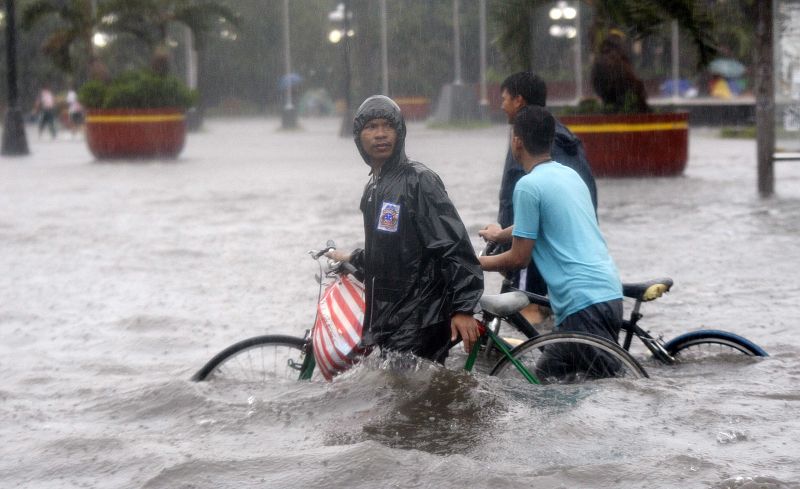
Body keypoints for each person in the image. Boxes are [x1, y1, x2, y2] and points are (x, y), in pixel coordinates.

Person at [328, 95, 484, 364]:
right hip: (391, 318)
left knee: (410, 399)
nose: (380, 135)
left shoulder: (419, 181)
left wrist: (463, 308)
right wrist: (353, 258)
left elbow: (455, 246)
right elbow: (392, 253)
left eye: (388, 126)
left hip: (422, 318)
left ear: (399, 132)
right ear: (359, 137)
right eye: (372, 127)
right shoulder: (374, 188)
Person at [479, 106, 624, 379]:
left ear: (517, 141)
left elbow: (518, 258)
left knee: (613, 389)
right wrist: (500, 235)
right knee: (560, 381)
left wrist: (474, 263)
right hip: (608, 294)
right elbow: (542, 221)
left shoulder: (527, 186)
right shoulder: (569, 175)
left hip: (581, 306)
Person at [479, 71, 597, 324]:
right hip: (580, 271)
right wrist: (502, 235)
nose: (501, 106)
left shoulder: (529, 154)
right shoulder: (562, 142)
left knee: (523, 319)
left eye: (505, 99)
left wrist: (476, 262)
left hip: (536, 255)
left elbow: (528, 212)